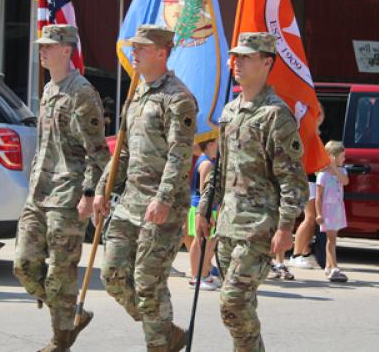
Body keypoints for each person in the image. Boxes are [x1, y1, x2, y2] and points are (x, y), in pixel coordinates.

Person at [196, 32, 308, 352]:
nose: (236, 63)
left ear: (266, 62)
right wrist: (205, 207)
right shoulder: (231, 111)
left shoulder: (276, 115)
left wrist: (286, 226)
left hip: (258, 226)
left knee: (232, 304)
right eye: (235, 57)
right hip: (228, 224)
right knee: (240, 307)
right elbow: (220, 169)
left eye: (245, 57)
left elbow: (293, 180)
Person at [91, 25, 198, 352]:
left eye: (142, 48)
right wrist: (101, 190)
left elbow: (180, 156)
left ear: (162, 53)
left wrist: (164, 198)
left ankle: (158, 344)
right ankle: (166, 333)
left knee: (149, 284)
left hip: (161, 207)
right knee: (112, 275)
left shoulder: (178, 98)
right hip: (129, 203)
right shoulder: (136, 94)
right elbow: (122, 150)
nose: (133, 53)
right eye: (133, 47)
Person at [13, 24, 110, 352]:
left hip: (67, 196)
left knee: (60, 273)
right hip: (39, 192)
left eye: (49, 45)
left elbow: (98, 151)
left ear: (66, 50)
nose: (42, 50)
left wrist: (88, 193)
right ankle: (69, 312)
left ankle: (59, 340)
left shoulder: (81, 92)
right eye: (41, 45)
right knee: (23, 265)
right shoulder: (50, 89)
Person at [289, 103, 325, 269]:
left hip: (311, 178)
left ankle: (304, 251)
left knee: (311, 218)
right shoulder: (306, 132)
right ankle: (296, 254)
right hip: (307, 178)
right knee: (310, 217)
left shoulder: (311, 132)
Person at [188, 139, 220, 290]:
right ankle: (199, 276)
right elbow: (204, 190)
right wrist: (208, 212)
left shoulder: (204, 160)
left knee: (203, 242)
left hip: (200, 206)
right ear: (210, 144)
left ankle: (201, 275)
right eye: (217, 143)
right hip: (202, 207)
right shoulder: (207, 163)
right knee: (203, 242)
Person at [315, 141, 349, 282]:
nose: (344, 159)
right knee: (331, 239)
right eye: (342, 156)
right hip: (327, 210)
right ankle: (334, 267)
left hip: (338, 209)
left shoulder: (342, 171)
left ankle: (328, 267)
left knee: (333, 238)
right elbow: (318, 197)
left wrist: (335, 169)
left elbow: (345, 182)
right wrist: (318, 213)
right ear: (333, 157)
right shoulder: (322, 175)